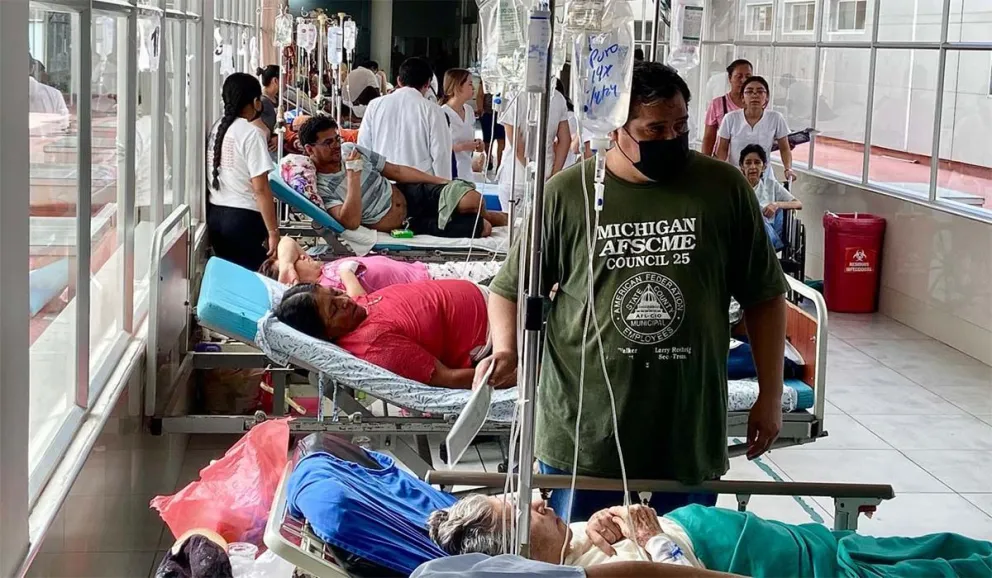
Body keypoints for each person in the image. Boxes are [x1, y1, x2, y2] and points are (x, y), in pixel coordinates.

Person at [475, 62, 789, 522]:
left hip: (685, 428)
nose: (671, 138)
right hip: (586, 430)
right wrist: (507, 349)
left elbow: (765, 297)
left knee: (680, 556)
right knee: (583, 559)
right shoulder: (568, 194)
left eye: (680, 125)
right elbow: (509, 288)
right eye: (654, 128)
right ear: (616, 129)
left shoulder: (722, 189)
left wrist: (771, 394)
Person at [426, 499, 992, 576]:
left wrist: (611, 518)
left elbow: (632, 517)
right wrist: (653, 543)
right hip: (765, 563)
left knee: (923, 544)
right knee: (931, 572)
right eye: (521, 511)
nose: (537, 500)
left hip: (780, 538)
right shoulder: (590, 575)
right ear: (517, 553)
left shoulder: (568, 540)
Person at [298, 115, 505, 237]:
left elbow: (395, 170)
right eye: (328, 143)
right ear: (309, 149)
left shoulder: (350, 149)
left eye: (337, 139)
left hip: (409, 195)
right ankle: (506, 221)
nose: (336, 146)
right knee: (483, 228)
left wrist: (441, 181)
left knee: (473, 199)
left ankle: (503, 219)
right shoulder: (321, 186)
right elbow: (350, 222)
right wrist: (353, 176)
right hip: (407, 224)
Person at [272, 280, 503, 389]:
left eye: (335, 292)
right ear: (326, 334)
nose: (344, 301)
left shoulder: (354, 312)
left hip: (493, 296)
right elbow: (448, 378)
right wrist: (514, 377)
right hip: (498, 332)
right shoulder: (376, 345)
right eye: (334, 310)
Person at [206, 72, 280, 271]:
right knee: (259, 277)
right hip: (243, 221)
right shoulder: (251, 134)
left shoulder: (217, 128)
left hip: (216, 216)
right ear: (256, 102)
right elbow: (261, 189)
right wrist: (273, 232)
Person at [358, 57, 452, 179]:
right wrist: (444, 188)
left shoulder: (375, 105)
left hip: (383, 183)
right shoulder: (433, 111)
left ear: (399, 80)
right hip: (420, 185)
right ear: (428, 83)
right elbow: (441, 156)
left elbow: (364, 147)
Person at [497, 82, 571, 210]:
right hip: (546, 174)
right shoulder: (557, 98)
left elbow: (516, 143)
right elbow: (565, 140)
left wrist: (531, 170)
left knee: (512, 225)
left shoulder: (513, 96)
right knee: (540, 226)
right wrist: (554, 174)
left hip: (516, 177)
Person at [716, 76, 795, 182]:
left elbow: (785, 148)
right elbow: (722, 148)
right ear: (743, 97)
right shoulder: (730, 118)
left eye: (760, 91)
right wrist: (719, 170)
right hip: (737, 175)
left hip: (764, 175)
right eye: (749, 91)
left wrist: (788, 169)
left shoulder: (776, 118)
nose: (755, 95)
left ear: (766, 97)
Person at [739, 144, 802, 251]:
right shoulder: (737, 187)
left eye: (757, 162)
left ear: (764, 167)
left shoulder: (771, 185)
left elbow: (798, 204)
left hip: (768, 233)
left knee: (762, 218)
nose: (753, 167)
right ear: (742, 166)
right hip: (742, 233)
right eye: (748, 163)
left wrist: (776, 204)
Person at [700, 59, 751, 156]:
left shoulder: (760, 104)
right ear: (730, 78)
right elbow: (709, 138)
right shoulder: (717, 104)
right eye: (739, 76)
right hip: (725, 162)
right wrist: (705, 164)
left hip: (753, 165)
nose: (744, 80)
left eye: (748, 76)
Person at [440, 68, 483, 181]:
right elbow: (438, 148)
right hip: (449, 174)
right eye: (469, 84)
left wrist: (477, 144)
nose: (473, 88)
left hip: (466, 173)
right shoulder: (442, 113)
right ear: (458, 87)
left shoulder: (469, 111)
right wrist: (462, 147)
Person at [476, 79, 506, 174]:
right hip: (488, 112)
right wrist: (481, 110)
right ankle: (489, 159)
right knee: (488, 140)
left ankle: (499, 165)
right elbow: (480, 94)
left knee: (502, 140)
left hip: (503, 113)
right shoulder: (487, 76)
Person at [256, 64, 280, 153]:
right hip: (267, 150)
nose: (287, 81)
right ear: (275, 80)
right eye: (285, 78)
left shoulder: (276, 99)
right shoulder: (262, 102)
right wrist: (275, 137)